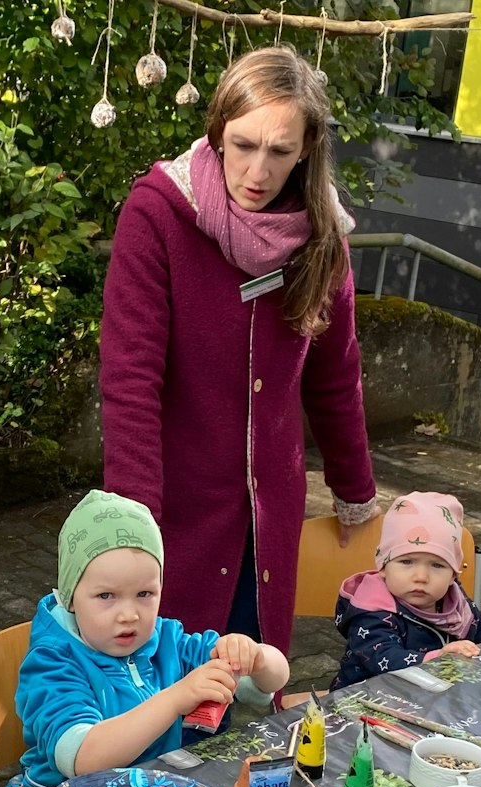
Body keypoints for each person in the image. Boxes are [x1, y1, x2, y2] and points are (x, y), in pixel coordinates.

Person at [101, 45, 378, 655]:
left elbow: (336, 373)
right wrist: (132, 527)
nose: (258, 170)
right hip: (175, 512)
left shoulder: (324, 235)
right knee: (165, 701)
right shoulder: (157, 215)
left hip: (268, 520)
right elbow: (129, 383)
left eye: (280, 151)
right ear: (219, 131)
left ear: (306, 149)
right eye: (244, 145)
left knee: (250, 696)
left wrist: (356, 489)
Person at [7, 491, 289, 787]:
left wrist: (256, 657)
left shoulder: (166, 640)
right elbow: (83, 760)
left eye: (144, 594)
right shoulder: (53, 662)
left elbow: (266, 685)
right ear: (71, 597)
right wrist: (175, 699)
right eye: (106, 596)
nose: (129, 615)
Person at [330, 492, 481, 689]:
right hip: (366, 702)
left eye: (437, 565)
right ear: (383, 567)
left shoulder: (453, 600)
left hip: (430, 697)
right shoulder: (372, 610)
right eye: (407, 562)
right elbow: (383, 658)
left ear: (453, 575)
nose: (421, 576)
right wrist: (439, 657)